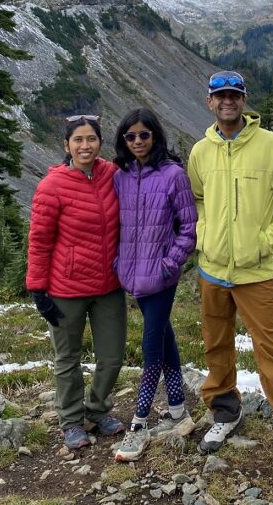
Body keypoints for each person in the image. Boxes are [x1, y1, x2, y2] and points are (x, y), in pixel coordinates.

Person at [186, 70, 273, 487]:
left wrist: (264, 243)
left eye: (234, 95)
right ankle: (225, 410)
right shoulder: (201, 151)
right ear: (210, 102)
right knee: (216, 344)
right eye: (220, 96)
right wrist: (205, 235)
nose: (227, 102)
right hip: (212, 269)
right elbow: (198, 199)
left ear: (244, 100)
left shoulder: (271, 145)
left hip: (256, 273)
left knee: (270, 352)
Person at [27, 114, 126, 450]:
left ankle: (96, 410)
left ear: (100, 143)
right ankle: (71, 421)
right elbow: (40, 241)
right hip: (65, 288)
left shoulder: (112, 175)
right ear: (66, 145)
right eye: (78, 140)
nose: (85, 146)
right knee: (67, 359)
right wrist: (38, 289)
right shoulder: (51, 186)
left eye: (91, 139)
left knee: (112, 357)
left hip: (108, 286)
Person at [111, 108, 198, 462]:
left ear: (155, 136)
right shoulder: (120, 176)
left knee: (151, 344)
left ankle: (140, 422)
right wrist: (118, 263)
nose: (137, 142)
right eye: (130, 136)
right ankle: (178, 410)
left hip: (160, 276)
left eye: (143, 135)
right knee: (163, 336)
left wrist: (169, 264)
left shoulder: (173, 174)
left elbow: (188, 228)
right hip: (132, 273)